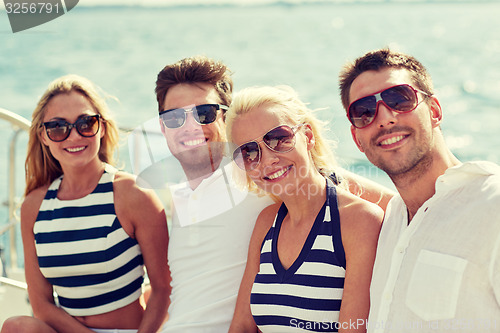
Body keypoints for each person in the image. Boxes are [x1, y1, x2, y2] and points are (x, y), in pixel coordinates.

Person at [135, 55, 393, 333]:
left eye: (204, 113)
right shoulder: (184, 196)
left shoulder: (253, 180)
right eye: (174, 118)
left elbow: (333, 184)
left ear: (225, 117)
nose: (190, 126)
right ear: (162, 127)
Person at [339, 48, 500, 332]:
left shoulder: (492, 205)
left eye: (400, 99)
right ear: (356, 138)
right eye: (364, 112)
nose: (385, 118)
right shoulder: (391, 220)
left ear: (435, 111)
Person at [0, 75, 170, 333]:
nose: (74, 136)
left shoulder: (133, 193)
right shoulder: (34, 206)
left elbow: (162, 289)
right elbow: (41, 304)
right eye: (58, 127)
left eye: (86, 123)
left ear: (101, 127)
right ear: (44, 136)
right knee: (15, 327)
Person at [226, 85, 384, 332]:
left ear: (308, 136)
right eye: (249, 152)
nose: (268, 159)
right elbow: (243, 326)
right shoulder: (267, 223)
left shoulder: (359, 221)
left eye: (279, 138)